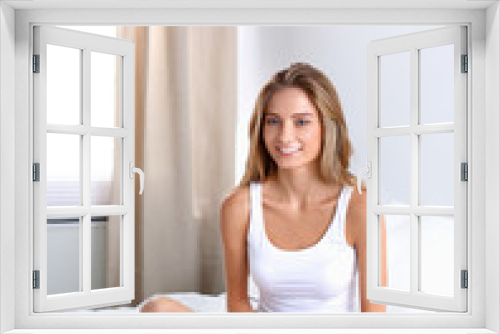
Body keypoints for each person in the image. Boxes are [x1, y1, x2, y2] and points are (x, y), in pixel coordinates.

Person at [140, 62, 387, 313]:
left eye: (301, 122)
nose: (284, 137)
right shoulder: (240, 206)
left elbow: (375, 318)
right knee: (157, 309)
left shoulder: (359, 205)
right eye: (273, 121)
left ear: (328, 127)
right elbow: (237, 303)